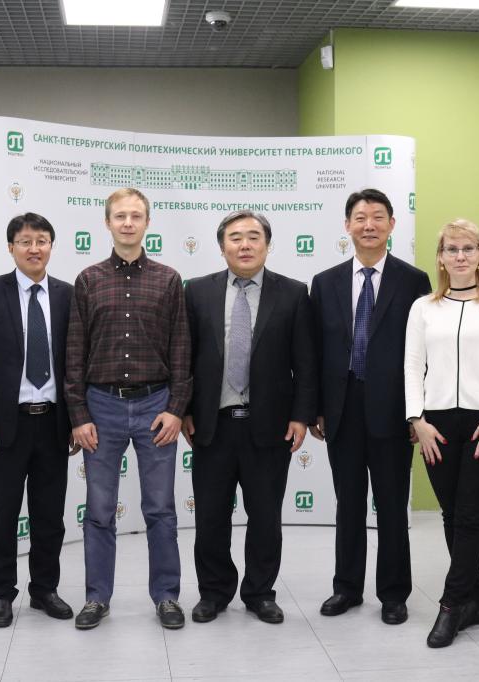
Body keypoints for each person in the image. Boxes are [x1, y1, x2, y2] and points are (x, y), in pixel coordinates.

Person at [65, 188, 192, 630]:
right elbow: (74, 352)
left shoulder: (169, 280)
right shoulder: (88, 280)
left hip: (157, 405)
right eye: (120, 216)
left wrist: (175, 408)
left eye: (136, 216)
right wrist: (79, 415)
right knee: (99, 511)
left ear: (147, 223)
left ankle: (167, 596)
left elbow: (181, 349)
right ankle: (96, 597)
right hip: (101, 407)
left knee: (160, 509)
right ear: (107, 222)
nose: (128, 223)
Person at [182, 211, 316, 625]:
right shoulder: (196, 291)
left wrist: (301, 416)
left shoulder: (293, 293)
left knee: (265, 518)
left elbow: (305, 362)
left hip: (270, 426)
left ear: (267, 245)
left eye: (254, 237)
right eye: (235, 237)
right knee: (210, 517)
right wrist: (184, 410)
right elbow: (184, 357)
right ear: (222, 246)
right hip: (212, 424)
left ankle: (260, 592)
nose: (244, 245)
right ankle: (214, 592)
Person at [309, 188, 431, 624]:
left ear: (392, 225)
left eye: (378, 217)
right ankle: (346, 588)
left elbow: (425, 352)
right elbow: (315, 352)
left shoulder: (413, 281)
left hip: (393, 409)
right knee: (348, 504)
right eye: (360, 218)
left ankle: (394, 593)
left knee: (392, 504)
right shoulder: (325, 282)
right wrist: (316, 408)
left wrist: (418, 412)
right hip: (341, 408)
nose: (369, 225)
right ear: (347, 226)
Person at [404, 219, 479, 647]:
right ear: (440, 258)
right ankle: (476, 600)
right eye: (451, 249)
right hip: (435, 425)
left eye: (468, 248)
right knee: (452, 516)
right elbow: (412, 365)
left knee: (470, 515)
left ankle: (451, 605)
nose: (459, 256)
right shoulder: (423, 307)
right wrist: (417, 420)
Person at [0, 212, 76, 628]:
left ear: (51, 247)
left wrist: (77, 419)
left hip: (53, 424)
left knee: (50, 517)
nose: (34, 248)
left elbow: (76, 363)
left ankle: (44, 589)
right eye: (25, 241)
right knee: (4, 516)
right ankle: (0, 594)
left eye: (42, 240)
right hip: (5, 426)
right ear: (11, 247)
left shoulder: (67, 295)